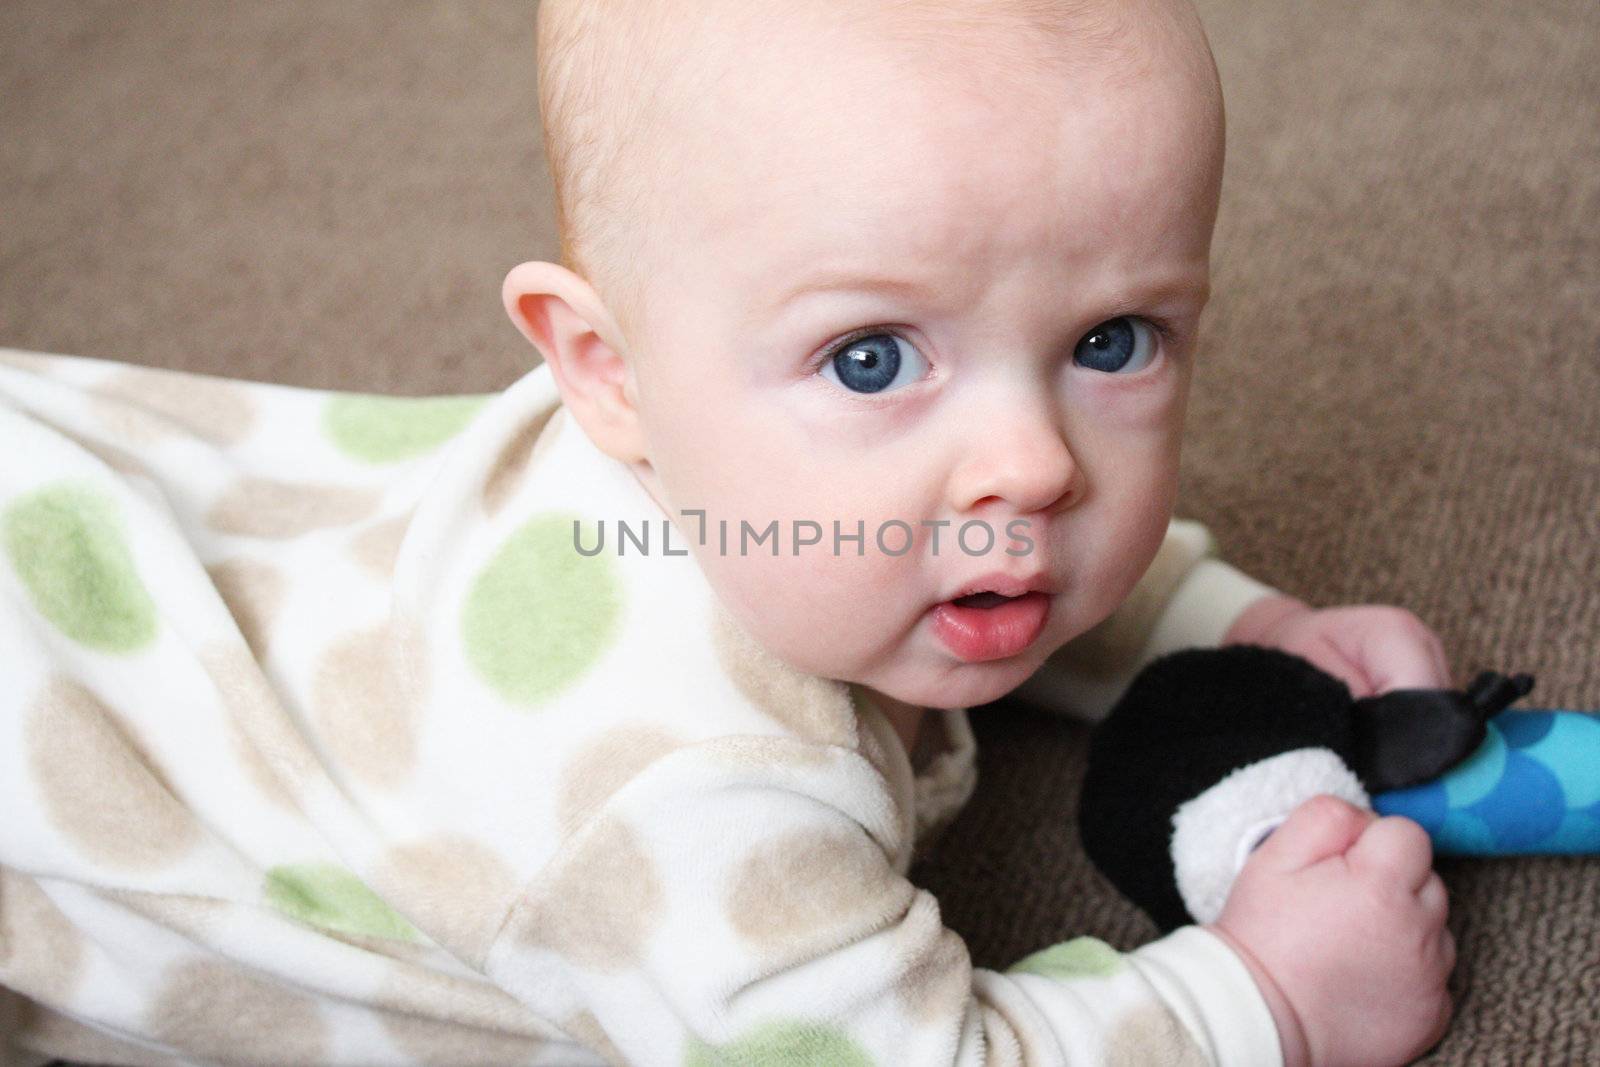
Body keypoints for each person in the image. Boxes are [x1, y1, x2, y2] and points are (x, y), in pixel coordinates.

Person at [0, 0, 1454, 1063]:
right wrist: (1259, 1005)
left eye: (1114, 337)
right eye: (873, 359)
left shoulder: (794, 490)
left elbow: (1005, 572)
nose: (1031, 466)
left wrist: (1238, 630)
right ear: (607, 372)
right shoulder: (690, 789)